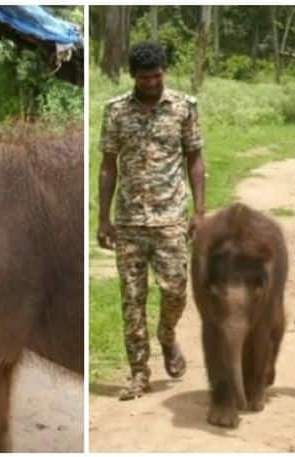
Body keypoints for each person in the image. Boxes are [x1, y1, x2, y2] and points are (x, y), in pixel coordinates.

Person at [97, 42, 205, 400]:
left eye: (157, 76)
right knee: (132, 300)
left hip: (171, 218)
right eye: (144, 78)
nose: (151, 83)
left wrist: (200, 212)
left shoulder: (184, 109)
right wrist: (103, 218)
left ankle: (168, 335)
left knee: (175, 291)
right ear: (133, 76)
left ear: (165, 71)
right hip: (128, 221)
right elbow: (108, 166)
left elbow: (195, 160)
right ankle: (139, 373)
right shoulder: (114, 112)